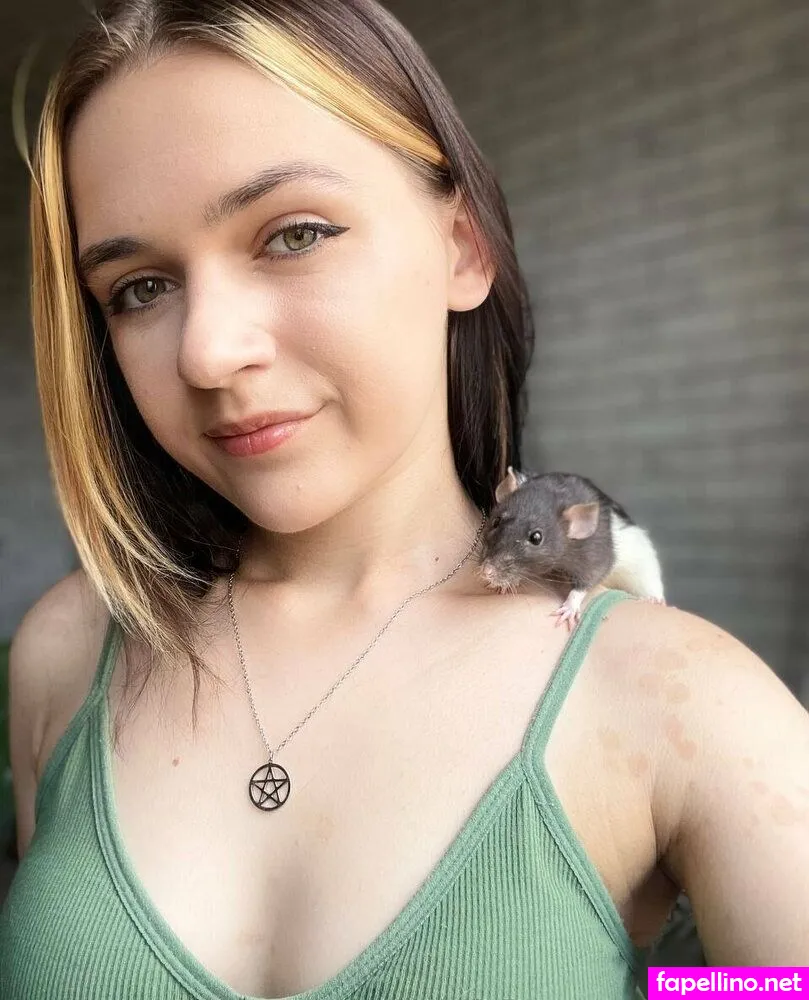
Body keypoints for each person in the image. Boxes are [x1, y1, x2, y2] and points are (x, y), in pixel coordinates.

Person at [1, 1, 807, 997]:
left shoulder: (680, 697)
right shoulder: (70, 653)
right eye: (139, 288)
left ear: (461, 247)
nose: (207, 351)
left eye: (293, 234)